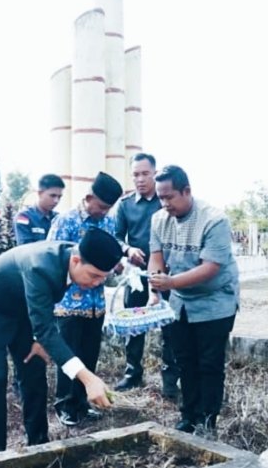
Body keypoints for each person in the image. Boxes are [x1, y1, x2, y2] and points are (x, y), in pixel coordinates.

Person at [0, 227, 120, 454]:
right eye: (94, 275)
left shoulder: (70, 258)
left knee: (34, 370)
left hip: (23, 312)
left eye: (102, 278)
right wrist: (87, 379)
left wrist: (38, 338)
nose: (97, 283)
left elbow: (43, 313)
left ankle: (39, 446)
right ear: (76, 261)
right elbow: (47, 327)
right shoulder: (41, 266)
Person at [148, 165, 239, 438]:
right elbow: (156, 256)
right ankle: (188, 416)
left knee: (209, 363)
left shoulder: (214, 220)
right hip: (180, 301)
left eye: (170, 197)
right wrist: (155, 286)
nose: (165, 204)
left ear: (187, 191)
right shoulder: (158, 219)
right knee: (184, 360)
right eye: (160, 198)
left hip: (215, 300)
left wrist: (171, 283)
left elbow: (210, 268)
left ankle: (208, 420)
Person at [48, 171, 126, 426]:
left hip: (95, 303)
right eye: (101, 206)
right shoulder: (66, 221)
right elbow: (51, 257)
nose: (104, 212)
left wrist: (116, 265)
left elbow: (110, 253)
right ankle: (65, 404)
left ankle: (82, 404)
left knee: (89, 355)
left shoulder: (108, 223)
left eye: (108, 208)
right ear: (89, 197)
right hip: (69, 302)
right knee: (69, 354)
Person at [113, 153, 179, 398]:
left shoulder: (166, 201)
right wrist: (127, 249)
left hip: (168, 274)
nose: (140, 179)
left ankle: (170, 379)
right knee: (134, 324)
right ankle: (132, 373)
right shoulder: (125, 204)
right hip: (137, 276)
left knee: (170, 328)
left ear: (154, 173)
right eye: (135, 175)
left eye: (144, 174)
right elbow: (117, 236)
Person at [14, 174, 65, 245]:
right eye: (52, 196)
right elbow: (25, 249)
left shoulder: (58, 218)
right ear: (40, 193)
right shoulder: (24, 217)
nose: (56, 200)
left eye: (59, 197)